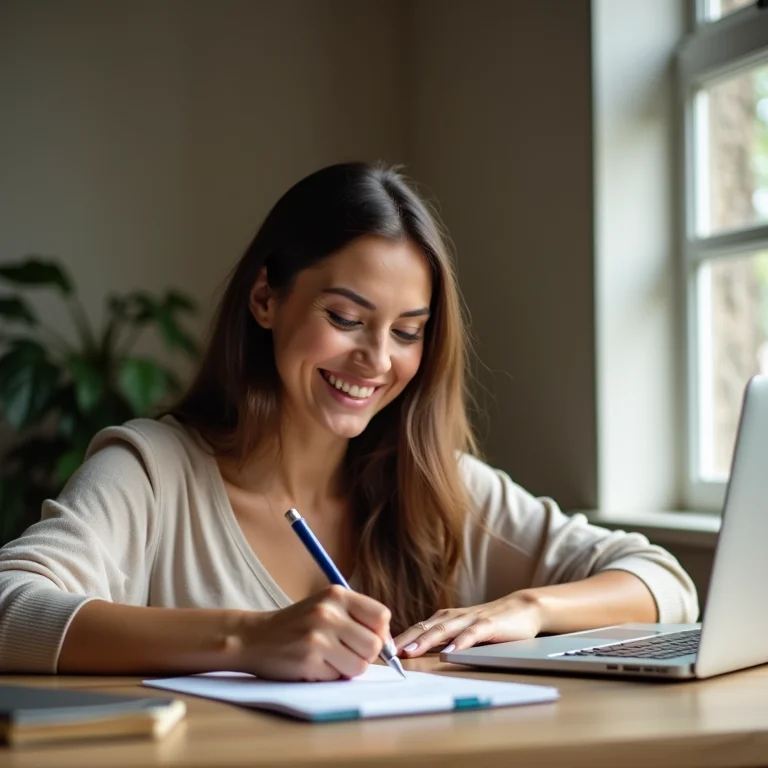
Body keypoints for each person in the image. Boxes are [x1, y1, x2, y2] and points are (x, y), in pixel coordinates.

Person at [0, 162, 698, 680]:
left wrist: (528, 609)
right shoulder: (152, 473)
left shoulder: (435, 483)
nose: (375, 360)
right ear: (267, 298)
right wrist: (247, 640)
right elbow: (10, 607)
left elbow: (663, 581)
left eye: (408, 331)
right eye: (346, 319)